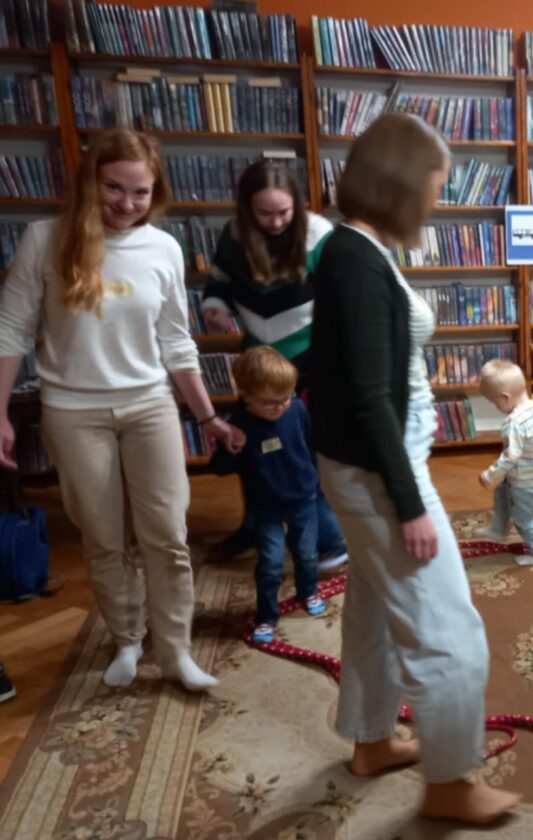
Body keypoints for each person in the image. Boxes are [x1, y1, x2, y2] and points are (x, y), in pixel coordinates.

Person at [311, 112, 521, 824]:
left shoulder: (358, 251)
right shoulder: (354, 259)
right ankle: (451, 783)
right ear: (400, 184)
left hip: (372, 467)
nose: (437, 200)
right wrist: (409, 504)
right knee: (447, 631)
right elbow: (368, 397)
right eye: (434, 186)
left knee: (373, 613)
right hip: (381, 476)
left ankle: (371, 742)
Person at [0, 128, 240, 691]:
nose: (126, 204)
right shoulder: (45, 239)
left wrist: (207, 416)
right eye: (114, 187)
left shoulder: (163, 247)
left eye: (140, 192)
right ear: (90, 180)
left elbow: (177, 342)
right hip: (73, 412)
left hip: (149, 406)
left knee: (167, 535)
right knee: (104, 539)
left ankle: (176, 651)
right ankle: (128, 640)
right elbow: (10, 328)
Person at [200, 160, 347, 570]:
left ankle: (327, 540)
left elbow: (340, 300)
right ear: (247, 209)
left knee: (303, 451)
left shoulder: (320, 235)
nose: (277, 221)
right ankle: (255, 524)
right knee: (252, 446)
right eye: (265, 213)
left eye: (284, 212)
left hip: (310, 360)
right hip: (257, 361)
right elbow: (219, 283)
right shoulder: (233, 236)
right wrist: (215, 307)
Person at [209, 347, 328, 644]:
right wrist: (228, 446)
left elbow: (310, 444)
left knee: (307, 553)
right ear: (246, 395)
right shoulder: (237, 425)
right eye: (269, 402)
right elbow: (220, 469)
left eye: (285, 398)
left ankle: (308, 591)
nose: (279, 407)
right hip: (265, 508)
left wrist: (318, 480)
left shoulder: (297, 410)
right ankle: (266, 616)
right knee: (271, 563)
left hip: (304, 499)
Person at [475, 359, 533, 564]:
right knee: (501, 493)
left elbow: (511, 456)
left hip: (524, 481)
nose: (495, 406)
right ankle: (499, 529)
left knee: (523, 519)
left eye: (494, 402)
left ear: (505, 397)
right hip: (532, 472)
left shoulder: (513, 422)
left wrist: (490, 474)